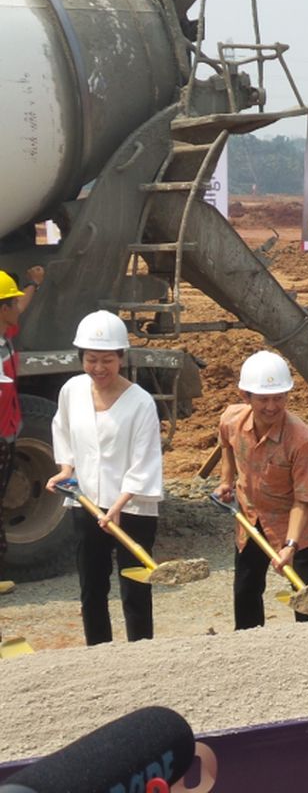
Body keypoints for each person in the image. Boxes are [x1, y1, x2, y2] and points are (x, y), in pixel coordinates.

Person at [46, 310, 163, 645]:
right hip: (86, 502)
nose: (99, 368)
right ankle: (98, 654)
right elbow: (63, 431)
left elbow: (145, 461)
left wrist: (118, 506)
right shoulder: (73, 390)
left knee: (135, 588)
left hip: (132, 509)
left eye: (107, 360)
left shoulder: (140, 403)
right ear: (81, 357)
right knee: (92, 586)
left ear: (121, 359)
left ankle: (139, 653)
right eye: (92, 359)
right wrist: (66, 470)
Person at [215, 351, 308, 630]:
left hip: (297, 527)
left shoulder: (302, 442)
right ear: (246, 396)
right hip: (251, 519)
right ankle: (250, 645)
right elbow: (226, 445)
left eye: (279, 398)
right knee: (246, 590)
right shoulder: (231, 419)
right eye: (263, 399)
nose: (272, 406)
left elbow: (304, 500)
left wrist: (290, 545)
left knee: (305, 597)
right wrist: (226, 481)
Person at [0, 270, 37, 595]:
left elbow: (22, 308)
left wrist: (32, 284)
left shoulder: (5, 334)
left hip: (7, 434)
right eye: (10, 302)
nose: (16, 307)